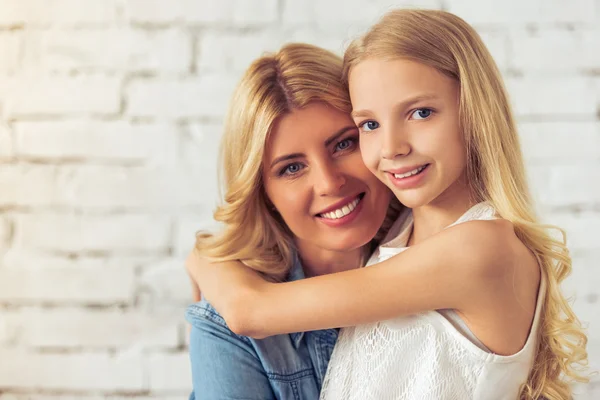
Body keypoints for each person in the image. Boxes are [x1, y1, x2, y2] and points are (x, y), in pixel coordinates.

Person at [187, 9, 589, 400]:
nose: (392, 148)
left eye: (420, 112)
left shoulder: (480, 250)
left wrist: (203, 260)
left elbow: (249, 312)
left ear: (474, 111)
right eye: (369, 125)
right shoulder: (397, 240)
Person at [185, 43, 401, 399]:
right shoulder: (224, 325)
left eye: (344, 145)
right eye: (292, 168)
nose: (329, 183)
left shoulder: (443, 251)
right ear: (262, 193)